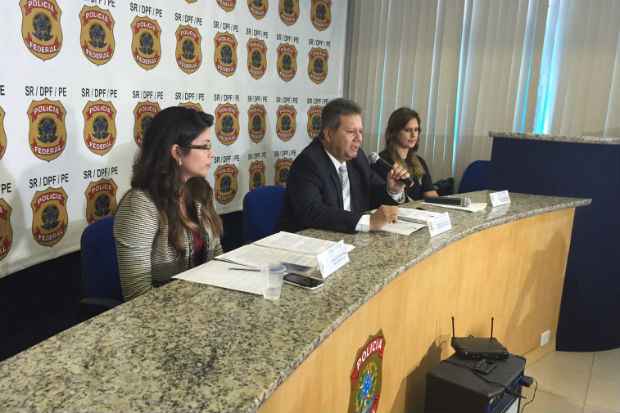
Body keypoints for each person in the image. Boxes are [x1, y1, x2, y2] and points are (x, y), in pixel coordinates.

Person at [113, 106, 223, 301]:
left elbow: (216, 256)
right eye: (205, 146)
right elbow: (137, 295)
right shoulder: (140, 206)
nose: (211, 153)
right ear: (177, 152)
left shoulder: (199, 191)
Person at [280, 98, 411, 234]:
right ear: (329, 134)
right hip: (311, 243)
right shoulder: (308, 163)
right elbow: (313, 212)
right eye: (351, 132)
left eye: (360, 131)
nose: (359, 138)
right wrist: (368, 222)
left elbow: (374, 191)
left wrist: (393, 191)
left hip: (349, 237)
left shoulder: (357, 158)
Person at [373, 107, 439, 200]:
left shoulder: (420, 161)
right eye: (407, 130)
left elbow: (430, 193)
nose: (413, 135)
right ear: (394, 132)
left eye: (416, 130)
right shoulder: (381, 162)